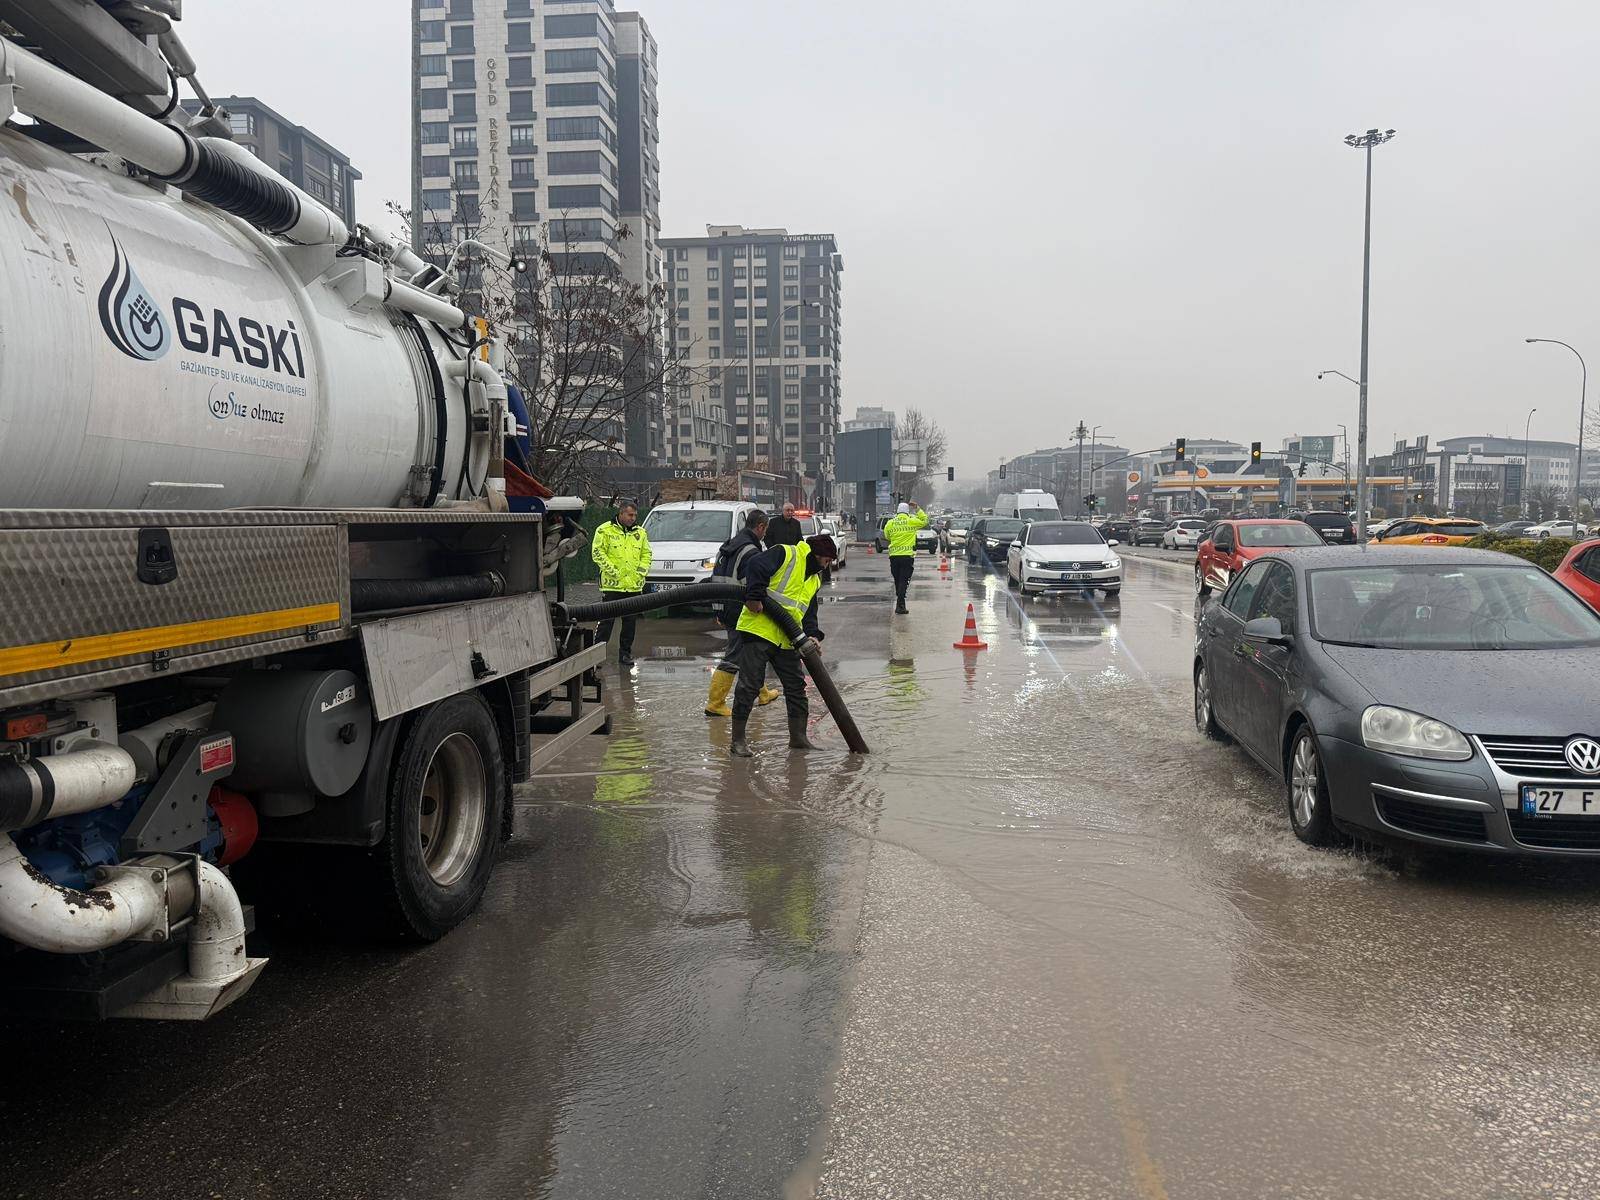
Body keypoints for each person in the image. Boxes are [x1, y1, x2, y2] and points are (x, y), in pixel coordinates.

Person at [729, 533, 838, 757]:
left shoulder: (814, 579)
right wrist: (754, 596)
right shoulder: (786, 553)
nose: (827, 567)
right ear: (818, 555)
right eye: (827, 561)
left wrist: (813, 635)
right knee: (749, 686)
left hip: (788, 638)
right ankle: (738, 741)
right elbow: (755, 564)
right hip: (759, 629)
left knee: (797, 688)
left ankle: (798, 738)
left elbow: (808, 611)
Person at [705, 509, 781, 716]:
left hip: (725, 606)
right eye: (765, 530)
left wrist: (718, 609)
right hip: (741, 609)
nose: (765, 535)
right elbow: (753, 586)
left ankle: (762, 693)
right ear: (760, 527)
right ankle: (715, 702)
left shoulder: (730, 544)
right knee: (735, 654)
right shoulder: (750, 551)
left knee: (751, 651)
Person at [591, 501, 651, 666]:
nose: (633, 518)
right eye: (630, 515)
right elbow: (597, 552)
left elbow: (646, 554)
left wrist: (641, 572)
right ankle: (596, 656)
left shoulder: (640, 533)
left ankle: (625, 654)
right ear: (621, 513)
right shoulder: (604, 530)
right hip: (612, 586)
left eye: (635, 515)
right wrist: (612, 570)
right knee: (606, 622)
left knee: (629, 623)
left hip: (633, 586)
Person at [883, 500, 929, 614]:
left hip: (893, 556)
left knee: (897, 580)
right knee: (904, 580)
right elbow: (925, 520)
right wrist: (917, 508)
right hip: (907, 556)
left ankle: (901, 602)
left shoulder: (890, 523)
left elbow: (886, 536)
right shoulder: (911, 521)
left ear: (897, 512)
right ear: (907, 512)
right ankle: (900, 604)